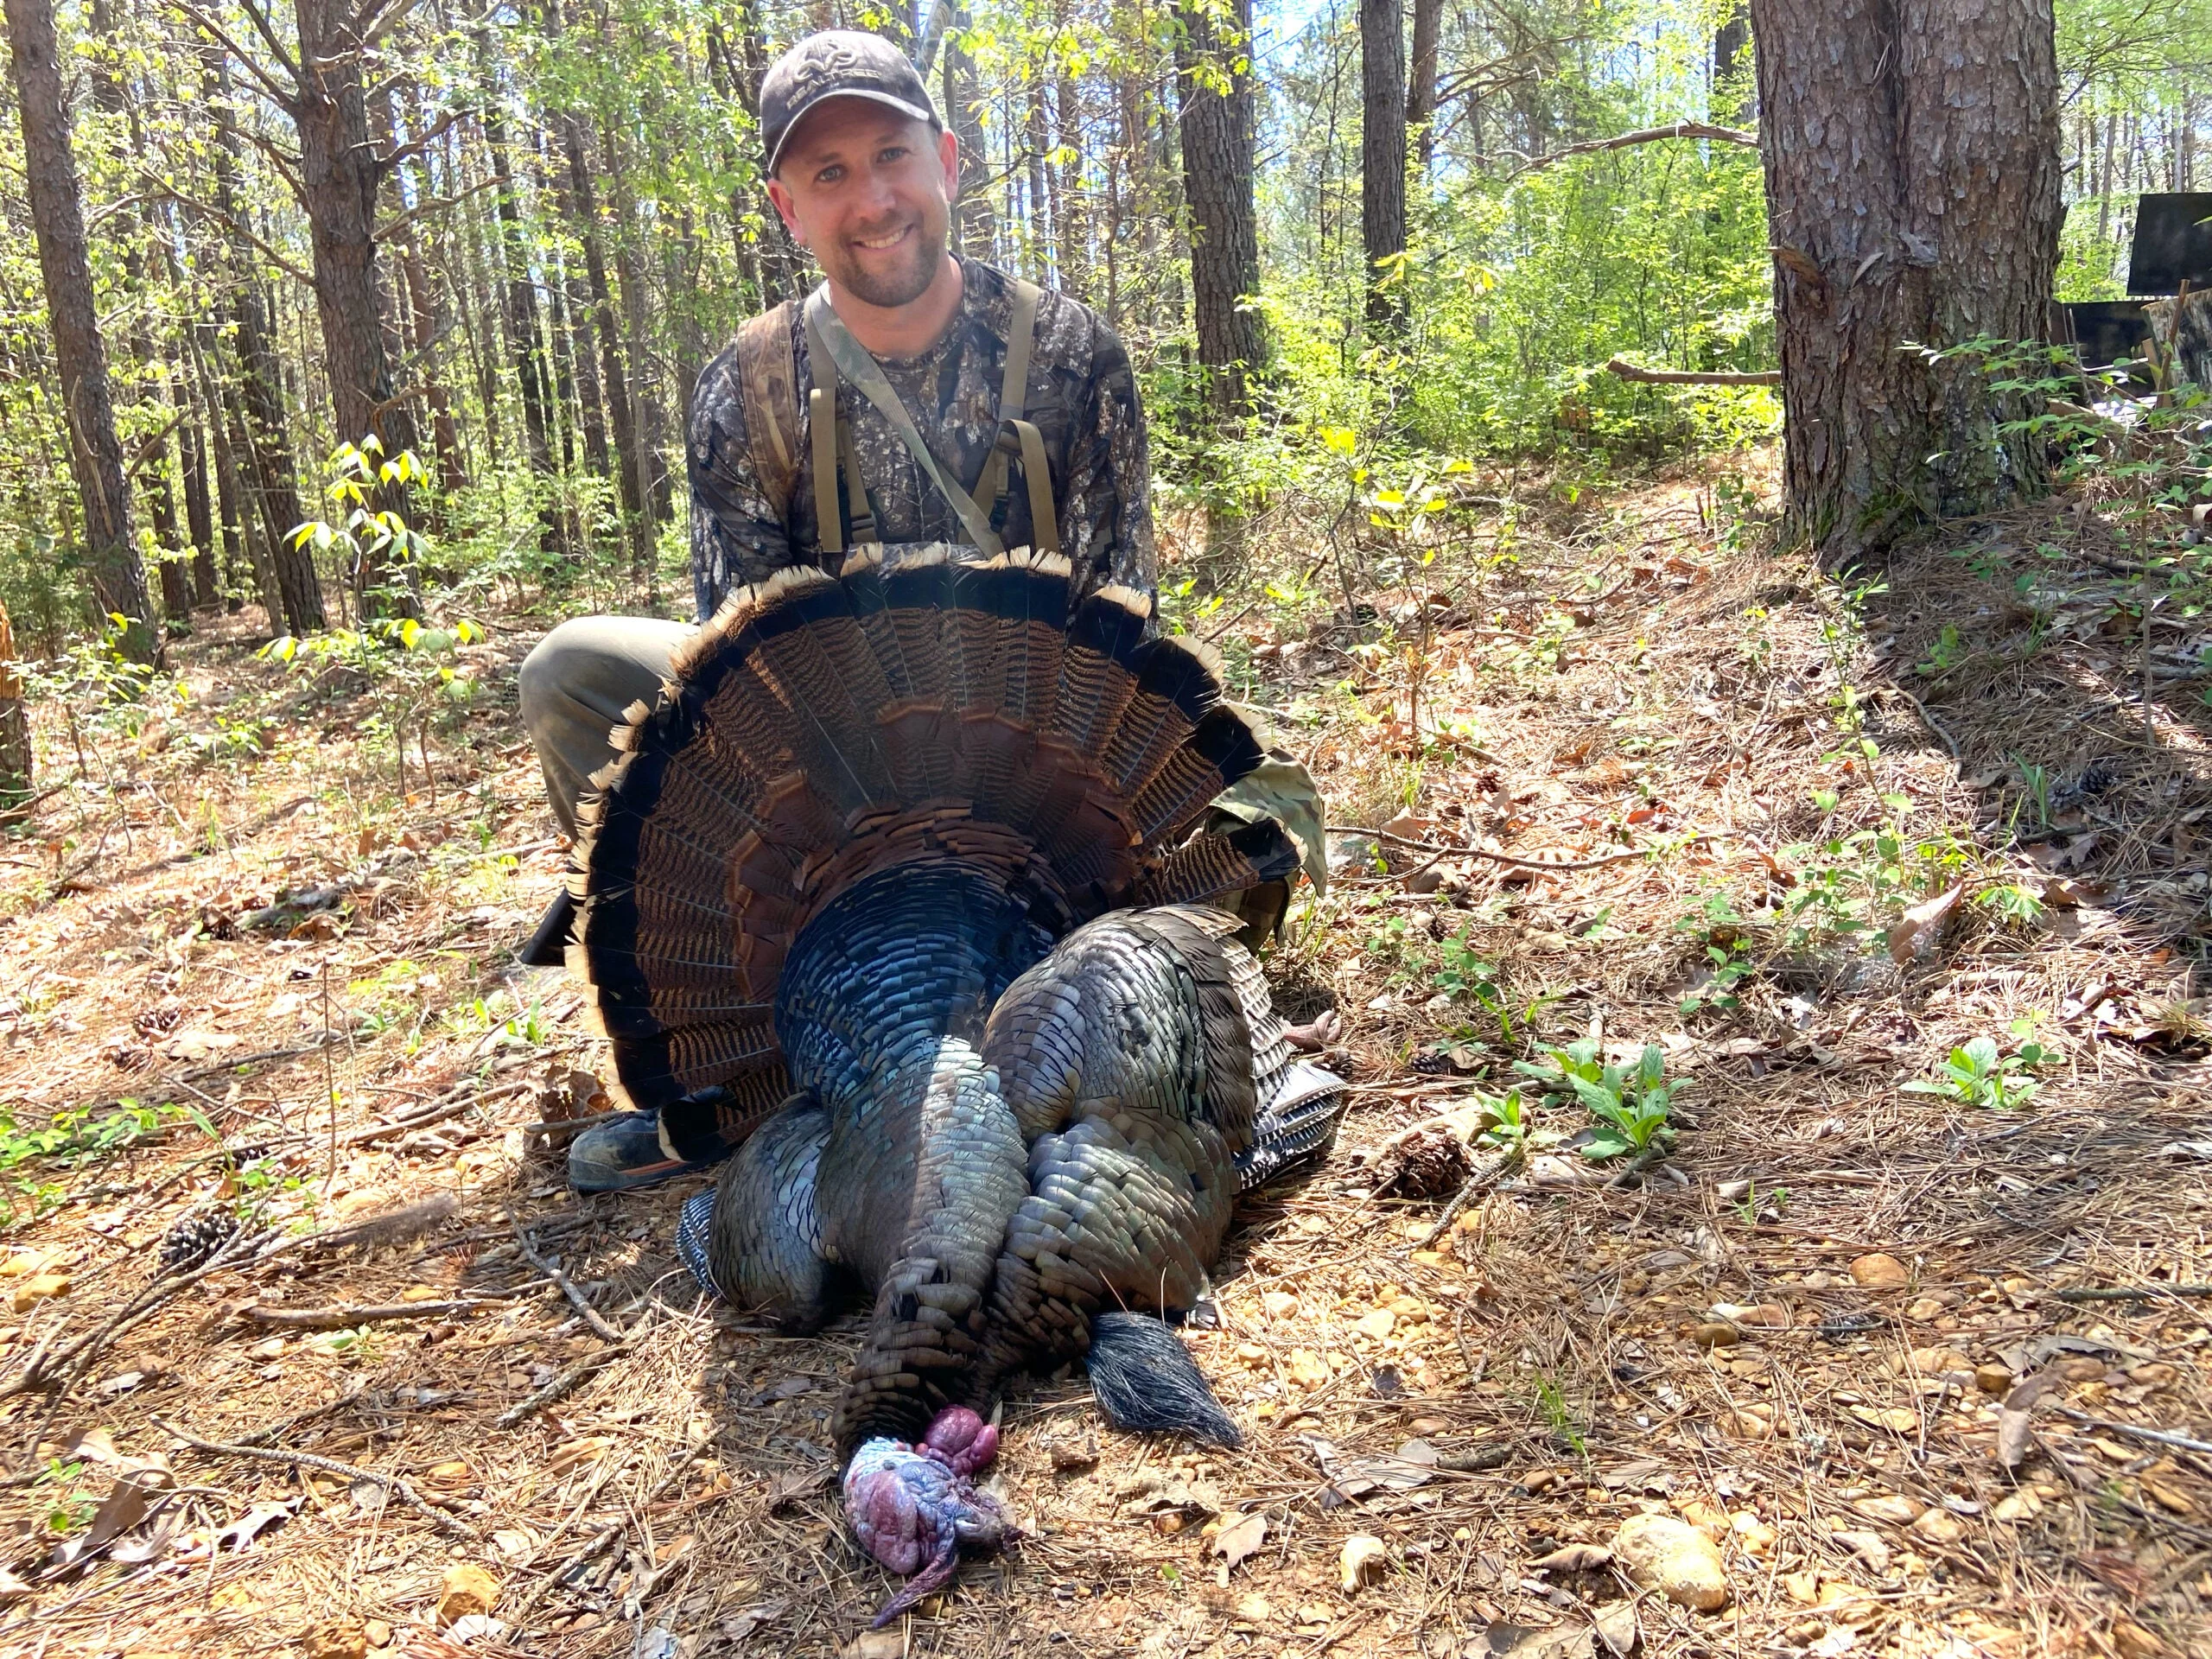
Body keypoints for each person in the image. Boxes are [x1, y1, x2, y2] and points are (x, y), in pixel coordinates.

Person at [518, 29, 1320, 1194]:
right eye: (829, 174)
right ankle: (762, 1040)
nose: (872, 198)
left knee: (1264, 812)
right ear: (787, 208)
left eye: (891, 155)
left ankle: (1013, 1003)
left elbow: (1122, 617)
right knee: (571, 669)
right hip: (833, 780)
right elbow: (733, 675)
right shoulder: (747, 388)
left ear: (948, 159)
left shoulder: (1069, 355)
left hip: (1034, 781)